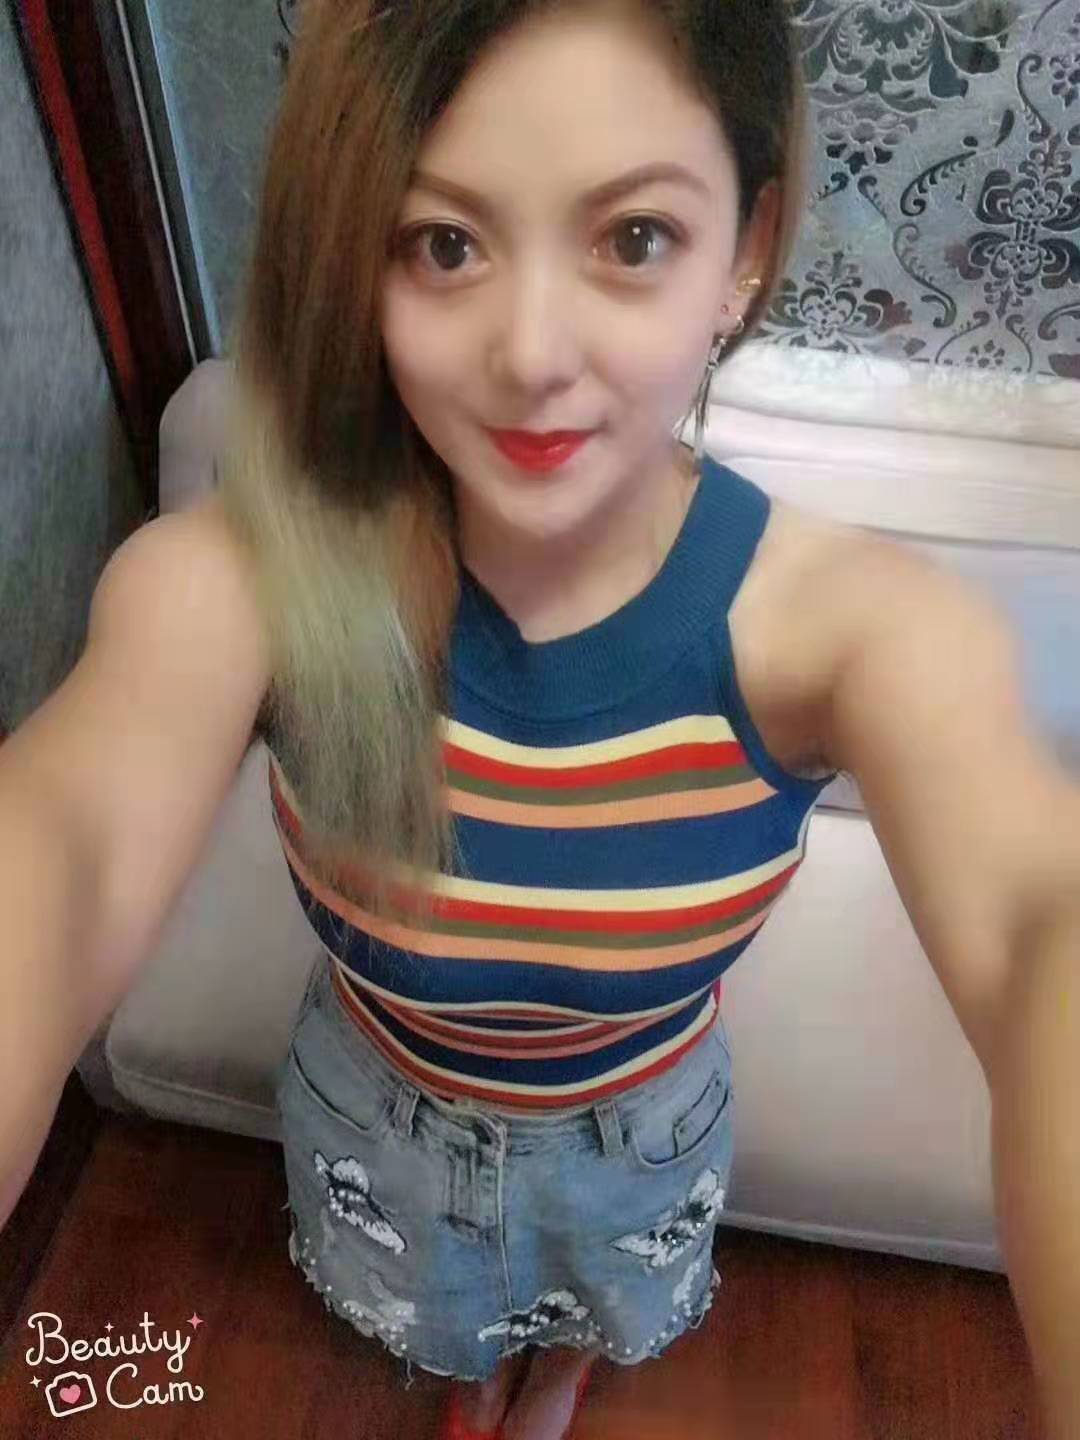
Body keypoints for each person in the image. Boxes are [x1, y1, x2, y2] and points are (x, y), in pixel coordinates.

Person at [2, 2, 874, 1437]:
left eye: (632, 236)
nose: (531, 356)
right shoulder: (246, 582)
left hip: (640, 1131)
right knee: (446, 1316)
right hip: (380, 1112)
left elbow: (1032, 907)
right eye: (445, 243)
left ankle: (563, 1375)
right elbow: (63, 842)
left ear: (747, 248)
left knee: (585, 1312)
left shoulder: (833, 620)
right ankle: (475, 1368)